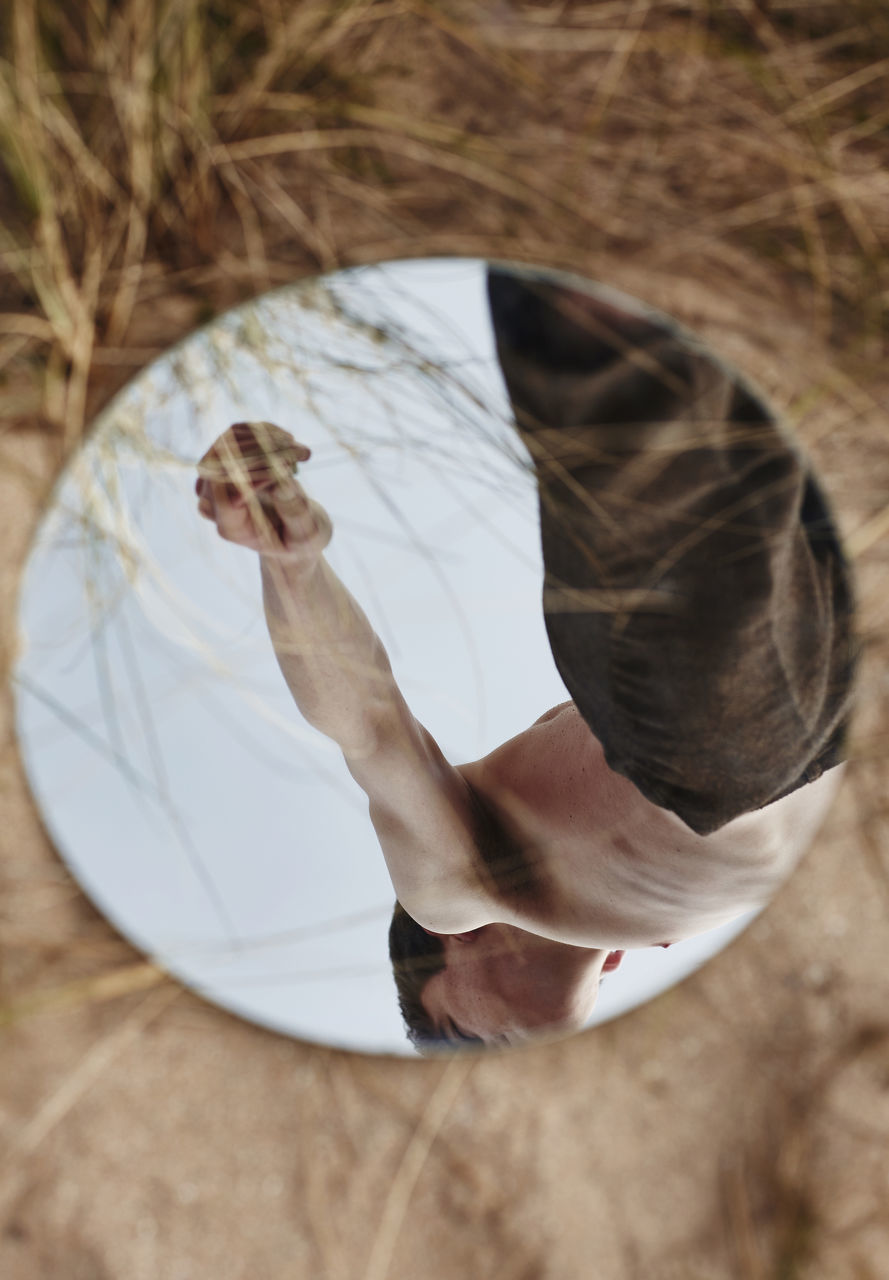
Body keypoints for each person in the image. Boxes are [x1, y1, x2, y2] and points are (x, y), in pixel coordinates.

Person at [194, 267, 855, 1053]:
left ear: (451, 954)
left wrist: (290, 567)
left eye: (472, 1036)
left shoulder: (457, 893)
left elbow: (370, 728)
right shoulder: (632, 927)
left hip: (712, 740)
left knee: (636, 411)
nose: (503, 1057)